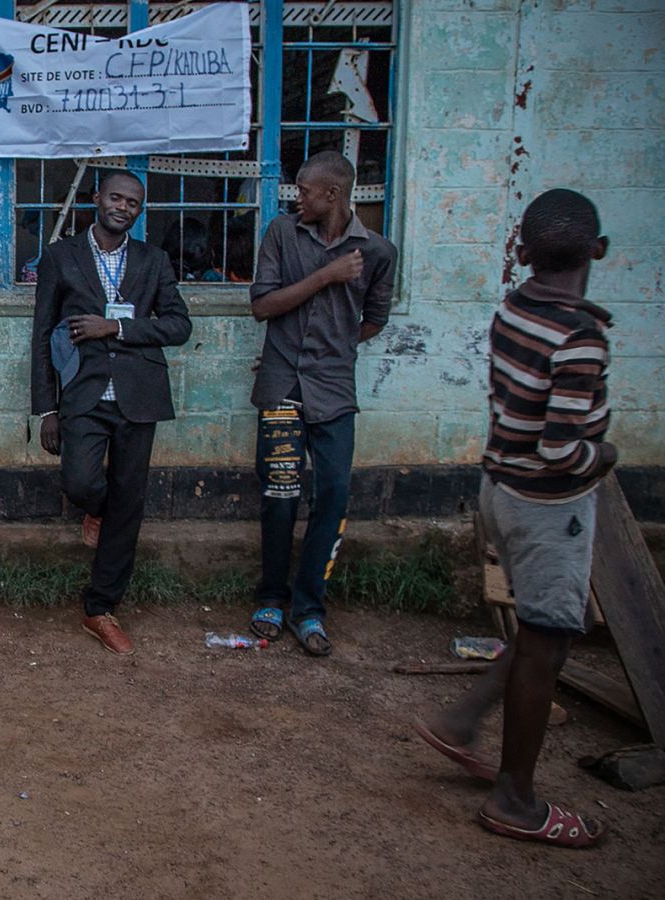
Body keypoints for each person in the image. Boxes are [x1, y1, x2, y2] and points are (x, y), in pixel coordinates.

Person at [413, 190, 613, 849]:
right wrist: (604, 453)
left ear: (521, 252)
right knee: (549, 641)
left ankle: (463, 720)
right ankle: (516, 799)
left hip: (500, 487)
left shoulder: (516, 306)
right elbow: (560, 449)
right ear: (599, 251)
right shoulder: (579, 337)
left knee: (546, 627)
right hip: (547, 506)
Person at [31, 172, 191, 654]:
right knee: (80, 482)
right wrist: (47, 409)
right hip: (83, 394)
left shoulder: (153, 260)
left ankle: (100, 608)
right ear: (96, 199)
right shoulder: (60, 257)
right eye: (116, 197)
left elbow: (179, 325)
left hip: (139, 394)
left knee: (131, 499)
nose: (124, 207)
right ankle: (97, 511)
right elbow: (42, 334)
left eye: (134, 203)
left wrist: (115, 327)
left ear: (140, 211)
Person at [243, 151, 396, 656]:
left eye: (305, 191)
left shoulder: (376, 251)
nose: (296, 198)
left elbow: (373, 320)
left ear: (333, 194)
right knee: (280, 493)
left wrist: (331, 350)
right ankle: (271, 597)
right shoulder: (282, 234)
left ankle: (309, 609)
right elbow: (263, 306)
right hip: (283, 388)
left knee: (332, 494)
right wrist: (326, 276)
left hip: (334, 392)